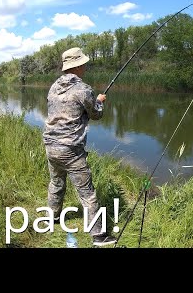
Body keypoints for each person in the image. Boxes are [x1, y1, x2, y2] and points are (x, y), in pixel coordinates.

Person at [42, 47, 116, 247]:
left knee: (56, 184)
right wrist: (100, 102)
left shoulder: (54, 86)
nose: (85, 66)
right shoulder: (83, 89)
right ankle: (99, 236)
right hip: (70, 150)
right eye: (84, 63)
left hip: (50, 145)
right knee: (87, 193)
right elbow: (96, 114)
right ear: (79, 65)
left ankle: (51, 219)